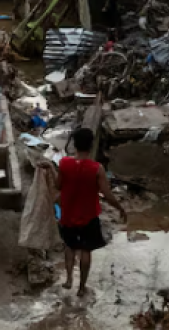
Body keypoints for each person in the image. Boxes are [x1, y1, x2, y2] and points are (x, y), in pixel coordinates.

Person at [55, 127, 127, 297]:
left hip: (68, 214)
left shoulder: (64, 163)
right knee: (86, 250)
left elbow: (58, 186)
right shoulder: (97, 168)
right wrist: (120, 208)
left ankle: (68, 280)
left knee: (70, 246)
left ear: (74, 144)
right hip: (89, 215)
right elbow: (107, 194)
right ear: (91, 145)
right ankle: (82, 288)